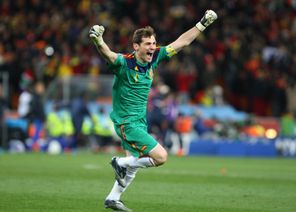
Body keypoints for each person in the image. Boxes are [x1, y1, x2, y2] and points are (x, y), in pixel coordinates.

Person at [90, 10, 218, 211]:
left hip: (140, 121)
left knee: (134, 164)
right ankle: (120, 163)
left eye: (153, 43)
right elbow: (107, 53)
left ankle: (113, 198)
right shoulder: (124, 63)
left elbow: (181, 42)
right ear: (136, 47)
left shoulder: (155, 57)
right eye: (148, 44)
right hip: (126, 123)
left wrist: (201, 24)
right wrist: (98, 40)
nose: (153, 47)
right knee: (161, 157)